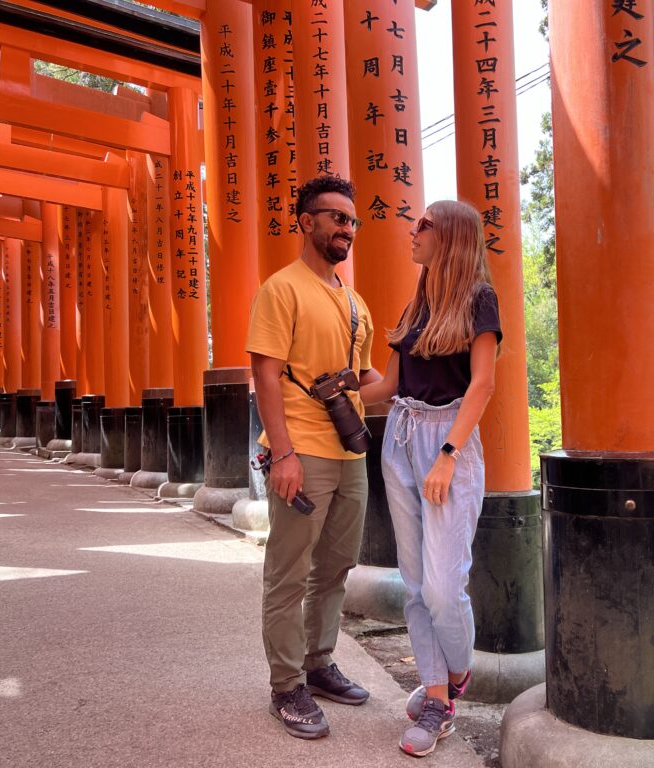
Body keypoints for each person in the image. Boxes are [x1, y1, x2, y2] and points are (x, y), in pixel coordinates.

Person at [360, 200, 501, 757]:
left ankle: (457, 670)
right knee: (416, 584)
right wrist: (337, 386)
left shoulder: (479, 299)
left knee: (444, 587)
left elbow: (482, 384)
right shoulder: (417, 303)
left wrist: (447, 454)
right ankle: (438, 699)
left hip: (449, 442)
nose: (412, 231)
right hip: (399, 437)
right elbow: (388, 386)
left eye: (424, 225)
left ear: (453, 238)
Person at [246, 176, 382, 740]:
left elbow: (367, 379)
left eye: (353, 221)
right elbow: (266, 375)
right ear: (307, 222)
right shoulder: (281, 289)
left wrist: (420, 370)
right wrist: (283, 454)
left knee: (336, 566)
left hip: (350, 454)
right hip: (301, 452)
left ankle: (319, 664)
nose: (347, 229)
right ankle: (286, 686)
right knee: (289, 572)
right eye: (337, 218)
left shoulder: (354, 302)